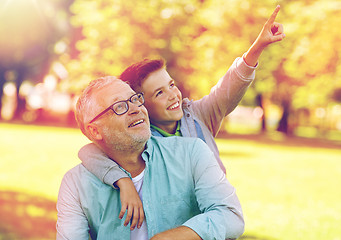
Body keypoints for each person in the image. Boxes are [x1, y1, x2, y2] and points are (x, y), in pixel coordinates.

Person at [78, 5, 285, 229]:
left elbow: (229, 87)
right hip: (170, 224)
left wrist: (257, 47)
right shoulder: (138, 138)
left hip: (211, 220)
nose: (173, 95)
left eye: (171, 85)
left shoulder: (199, 116)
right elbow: (90, 151)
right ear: (140, 102)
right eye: (159, 93)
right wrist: (123, 181)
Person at [56, 76, 244, 240]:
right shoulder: (76, 184)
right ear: (95, 130)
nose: (135, 109)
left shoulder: (192, 152)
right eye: (120, 106)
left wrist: (176, 236)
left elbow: (230, 215)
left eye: (135, 99)